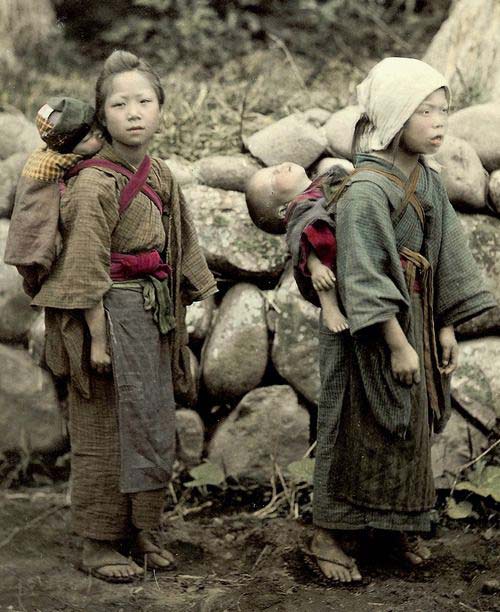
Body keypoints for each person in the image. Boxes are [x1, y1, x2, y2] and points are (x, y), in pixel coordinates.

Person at [288, 57, 496, 583]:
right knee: (359, 423)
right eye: (425, 111)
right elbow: (362, 272)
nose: (440, 122)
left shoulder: (426, 179)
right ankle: (328, 534)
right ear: (396, 116)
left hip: (418, 315)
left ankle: (394, 525)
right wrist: (397, 343)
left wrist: (444, 325)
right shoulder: (366, 191)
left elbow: (446, 251)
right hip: (369, 329)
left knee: (409, 424)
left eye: (443, 110)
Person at [30, 50, 217, 583]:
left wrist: (191, 296)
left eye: (145, 101)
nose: (134, 112)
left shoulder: (159, 173)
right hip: (106, 317)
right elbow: (85, 263)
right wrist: (95, 339)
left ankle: (142, 529)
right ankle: (96, 541)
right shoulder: (94, 183)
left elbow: (181, 241)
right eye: (119, 103)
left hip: (152, 315)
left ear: (161, 109)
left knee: (151, 425)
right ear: (101, 115)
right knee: (104, 429)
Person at [4, 97, 103, 297]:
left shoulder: (49, 148)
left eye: (96, 131)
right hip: (34, 220)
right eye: (88, 138)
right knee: (39, 250)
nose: (98, 138)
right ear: (68, 147)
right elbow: (35, 208)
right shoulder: (62, 159)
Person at [245, 160, 351, 332]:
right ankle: (330, 306)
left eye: (273, 167)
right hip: (322, 269)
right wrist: (315, 266)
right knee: (311, 228)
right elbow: (300, 239)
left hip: (341, 247)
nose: (279, 167)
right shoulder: (298, 211)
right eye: (273, 178)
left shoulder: (319, 184)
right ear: (283, 210)